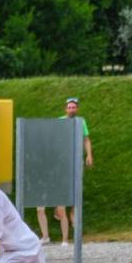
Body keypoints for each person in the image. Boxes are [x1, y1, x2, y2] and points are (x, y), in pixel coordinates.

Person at [36, 97, 92, 247]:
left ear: (77, 109)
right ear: (65, 109)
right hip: (62, 160)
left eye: (74, 107)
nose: (72, 109)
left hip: (76, 159)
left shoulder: (81, 121)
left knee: (76, 186)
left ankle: (72, 214)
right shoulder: (60, 121)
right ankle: (60, 210)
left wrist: (89, 155)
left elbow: (86, 139)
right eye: (70, 107)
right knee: (62, 184)